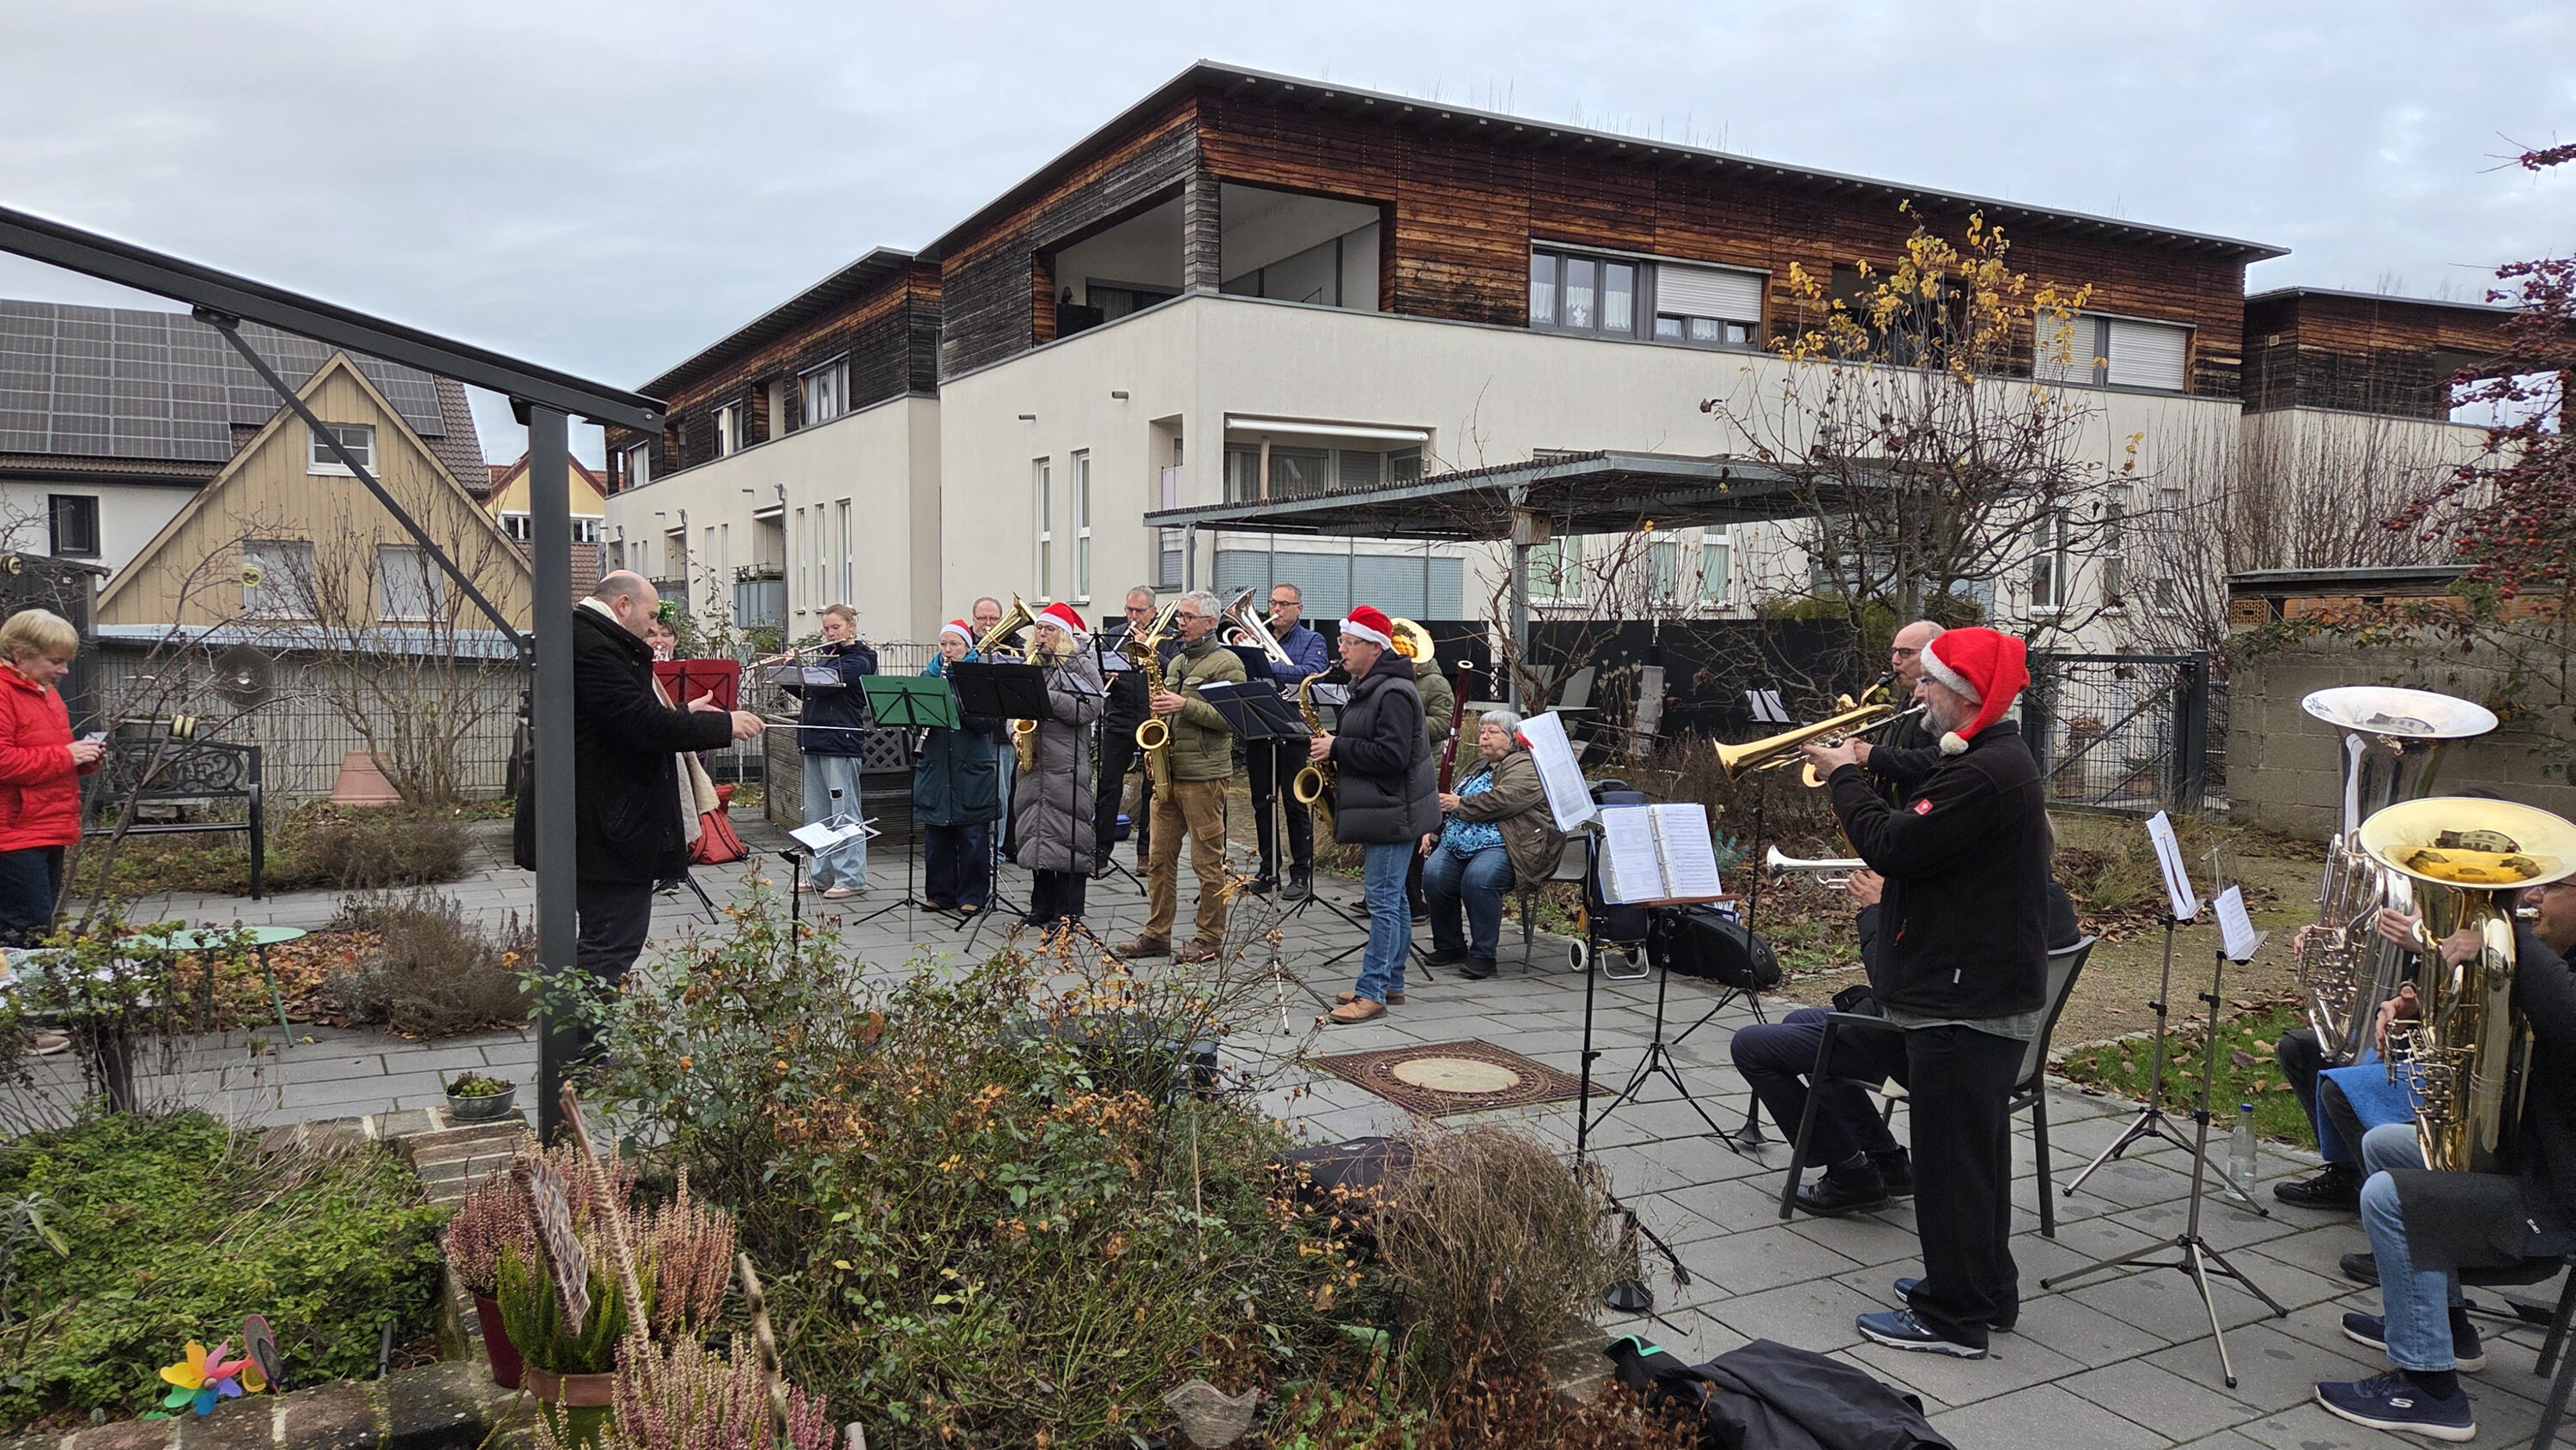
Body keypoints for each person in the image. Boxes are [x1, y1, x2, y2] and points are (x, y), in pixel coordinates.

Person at [1799, 624, 2049, 1359]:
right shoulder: (1990, 752)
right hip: (1976, 990)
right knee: (1977, 1158)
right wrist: (1869, 756)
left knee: (1947, 1164)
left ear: (1965, 694)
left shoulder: (1982, 773)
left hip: (1963, 1000)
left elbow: (1893, 845)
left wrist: (1844, 776)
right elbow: (1925, 771)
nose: (1921, 690)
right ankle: (1986, 1289)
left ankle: (1952, 1315)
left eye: (1932, 680)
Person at [2314, 869, 2576, 1441]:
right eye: (2533, 885)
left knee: (2389, 1197)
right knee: (2386, 1146)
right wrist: (2415, 1008)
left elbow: (2566, 1017)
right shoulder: (2548, 959)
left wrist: (2502, 933)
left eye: (2553, 886)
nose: (2532, 896)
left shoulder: (2544, 964)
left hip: (2558, 1197)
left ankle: (2429, 1388)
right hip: (2532, 1161)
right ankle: (2447, 1330)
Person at [1731, 867, 2081, 1224]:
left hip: (1929, 1048)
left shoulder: (1979, 913)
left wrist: (1877, 909)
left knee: (1750, 1047)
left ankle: (1850, 1173)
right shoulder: (2047, 901)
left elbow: (1893, 986)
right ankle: (1886, 1160)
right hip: (2002, 1055)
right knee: (1798, 1022)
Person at [540, 573, 761, 1059]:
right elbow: (640, 726)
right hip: (608, 822)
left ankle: (583, 1048)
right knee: (610, 941)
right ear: (623, 604)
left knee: (608, 937)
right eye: (652, 615)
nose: (653, 627)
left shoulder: (592, 638)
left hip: (602, 816)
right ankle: (580, 1057)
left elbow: (625, 718)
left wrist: (683, 713)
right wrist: (722, 724)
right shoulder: (594, 646)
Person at [1312, 605, 1438, 1024]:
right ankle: (1391, 982)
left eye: (1350, 642)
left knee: (1383, 902)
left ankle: (1372, 992)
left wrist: (1337, 747)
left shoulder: (1393, 693)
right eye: (1343, 641)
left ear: (1374, 647)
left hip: (1392, 810)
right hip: (1387, 807)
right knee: (1395, 899)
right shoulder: (1374, 686)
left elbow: (1392, 756)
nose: (1342, 649)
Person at [1120, 591, 1244, 962]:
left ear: (1210, 622)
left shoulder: (1228, 664)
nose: (1181, 623)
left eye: (1188, 617)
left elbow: (1231, 720)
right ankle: (1157, 934)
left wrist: (1184, 705)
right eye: (1180, 617)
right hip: (1167, 774)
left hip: (1204, 777)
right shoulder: (1175, 663)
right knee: (1159, 861)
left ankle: (1209, 939)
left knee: (1207, 862)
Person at [1417, 709, 1561, 980]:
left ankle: (1484, 955)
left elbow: (1505, 800)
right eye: (1482, 732)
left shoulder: (1527, 765)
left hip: (1509, 843)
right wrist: (1434, 827)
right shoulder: (1478, 765)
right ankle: (1450, 946)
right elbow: (1451, 798)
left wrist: (1460, 804)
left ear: (1513, 737)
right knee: (1434, 875)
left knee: (1479, 879)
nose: (1484, 737)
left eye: (1492, 732)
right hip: (1459, 841)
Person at [0, 610, 101, 956]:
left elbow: (49, 757)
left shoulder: (46, 693)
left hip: (47, 825)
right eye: (55, 661)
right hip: (12, 833)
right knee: (24, 931)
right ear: (20, 654)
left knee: (36, 927)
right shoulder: (4, 694)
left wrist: (84, 758)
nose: (64, 670)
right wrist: (67, 756)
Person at [765, 604, 878, 899]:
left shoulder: (861, 659)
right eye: (826, 629)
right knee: (817, 814)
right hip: (813, 739)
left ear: (851, 626)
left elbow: (827, 683)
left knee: (844, 814)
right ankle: (821, 874)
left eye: (835, 627)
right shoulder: (826, 658)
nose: (830, 633)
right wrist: (785, 673)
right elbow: (809, 691)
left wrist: (798, 667)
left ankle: (851, 877)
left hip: (840, 742)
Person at [1011, 604, 1104, 930]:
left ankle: (1068, 910)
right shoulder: (1032, 664)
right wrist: (1013, 732)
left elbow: (1091, 706)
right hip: (1033, 765)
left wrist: (1046, 698)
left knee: (1067, 836)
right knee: (1036, 834)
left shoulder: (1080, 665)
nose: (1041, 634)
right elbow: (1012, 707)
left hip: (1065, 766)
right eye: (1039, 628)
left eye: (1049, 629)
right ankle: (1041, 906)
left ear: (1063, 635)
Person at [1246, 583, 1328, 898]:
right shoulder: (1257, 637)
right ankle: (1268, 870)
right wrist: (1244, 654)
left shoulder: (1312, 640)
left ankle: (1300, 873)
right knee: (1261, 802)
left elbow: (1312, 672)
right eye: (1272, 603)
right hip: (1259, 725)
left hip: (1293, 729)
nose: (1276, 610)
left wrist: (1266, 664)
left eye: (1283, 604)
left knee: (1294, 803)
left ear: (1299, 609)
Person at [915, 621, 1002, 914]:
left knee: (972, 835)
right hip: (936, 764)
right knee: (937, 832)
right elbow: (913, 718)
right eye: (943, 644)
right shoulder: (928, 676)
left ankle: (973, 894)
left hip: (970, 765)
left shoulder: (978, 677)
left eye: (954, 644)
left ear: (967, 647)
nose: (948, 650)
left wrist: (957, 705)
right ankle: (940, 893)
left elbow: (988, 723)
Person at [1095, 586, 1160, 871]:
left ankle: (1146, 852)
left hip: (1151, 718)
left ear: (1153, 612)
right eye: (1129, 610)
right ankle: (1100, 850)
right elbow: (1095, 670)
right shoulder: (1114, 635)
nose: (1134, 616)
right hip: (1119, 716)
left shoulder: (1164, 636)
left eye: (1140, 611)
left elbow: (1172, 669)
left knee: (1151, 787)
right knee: (1109, 785)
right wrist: (1103, 674)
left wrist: (1150, 649)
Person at [1850, 620, 1946, 803]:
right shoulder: (1906, 701)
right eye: (1894, 651)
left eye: (1906, 652)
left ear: (1933, 656)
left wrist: (1873, 755)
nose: (1895, 660)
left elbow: (1942, 759)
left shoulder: (1945, 705)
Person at [1399, 619, 1455, 922]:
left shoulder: (1436, 683)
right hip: (1399, 764)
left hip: (1425, 765)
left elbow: (1444, 725)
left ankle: (1415, 901)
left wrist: (1406, 723)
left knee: (1415, 837)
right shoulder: (1396, 678)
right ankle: (1389, 896)